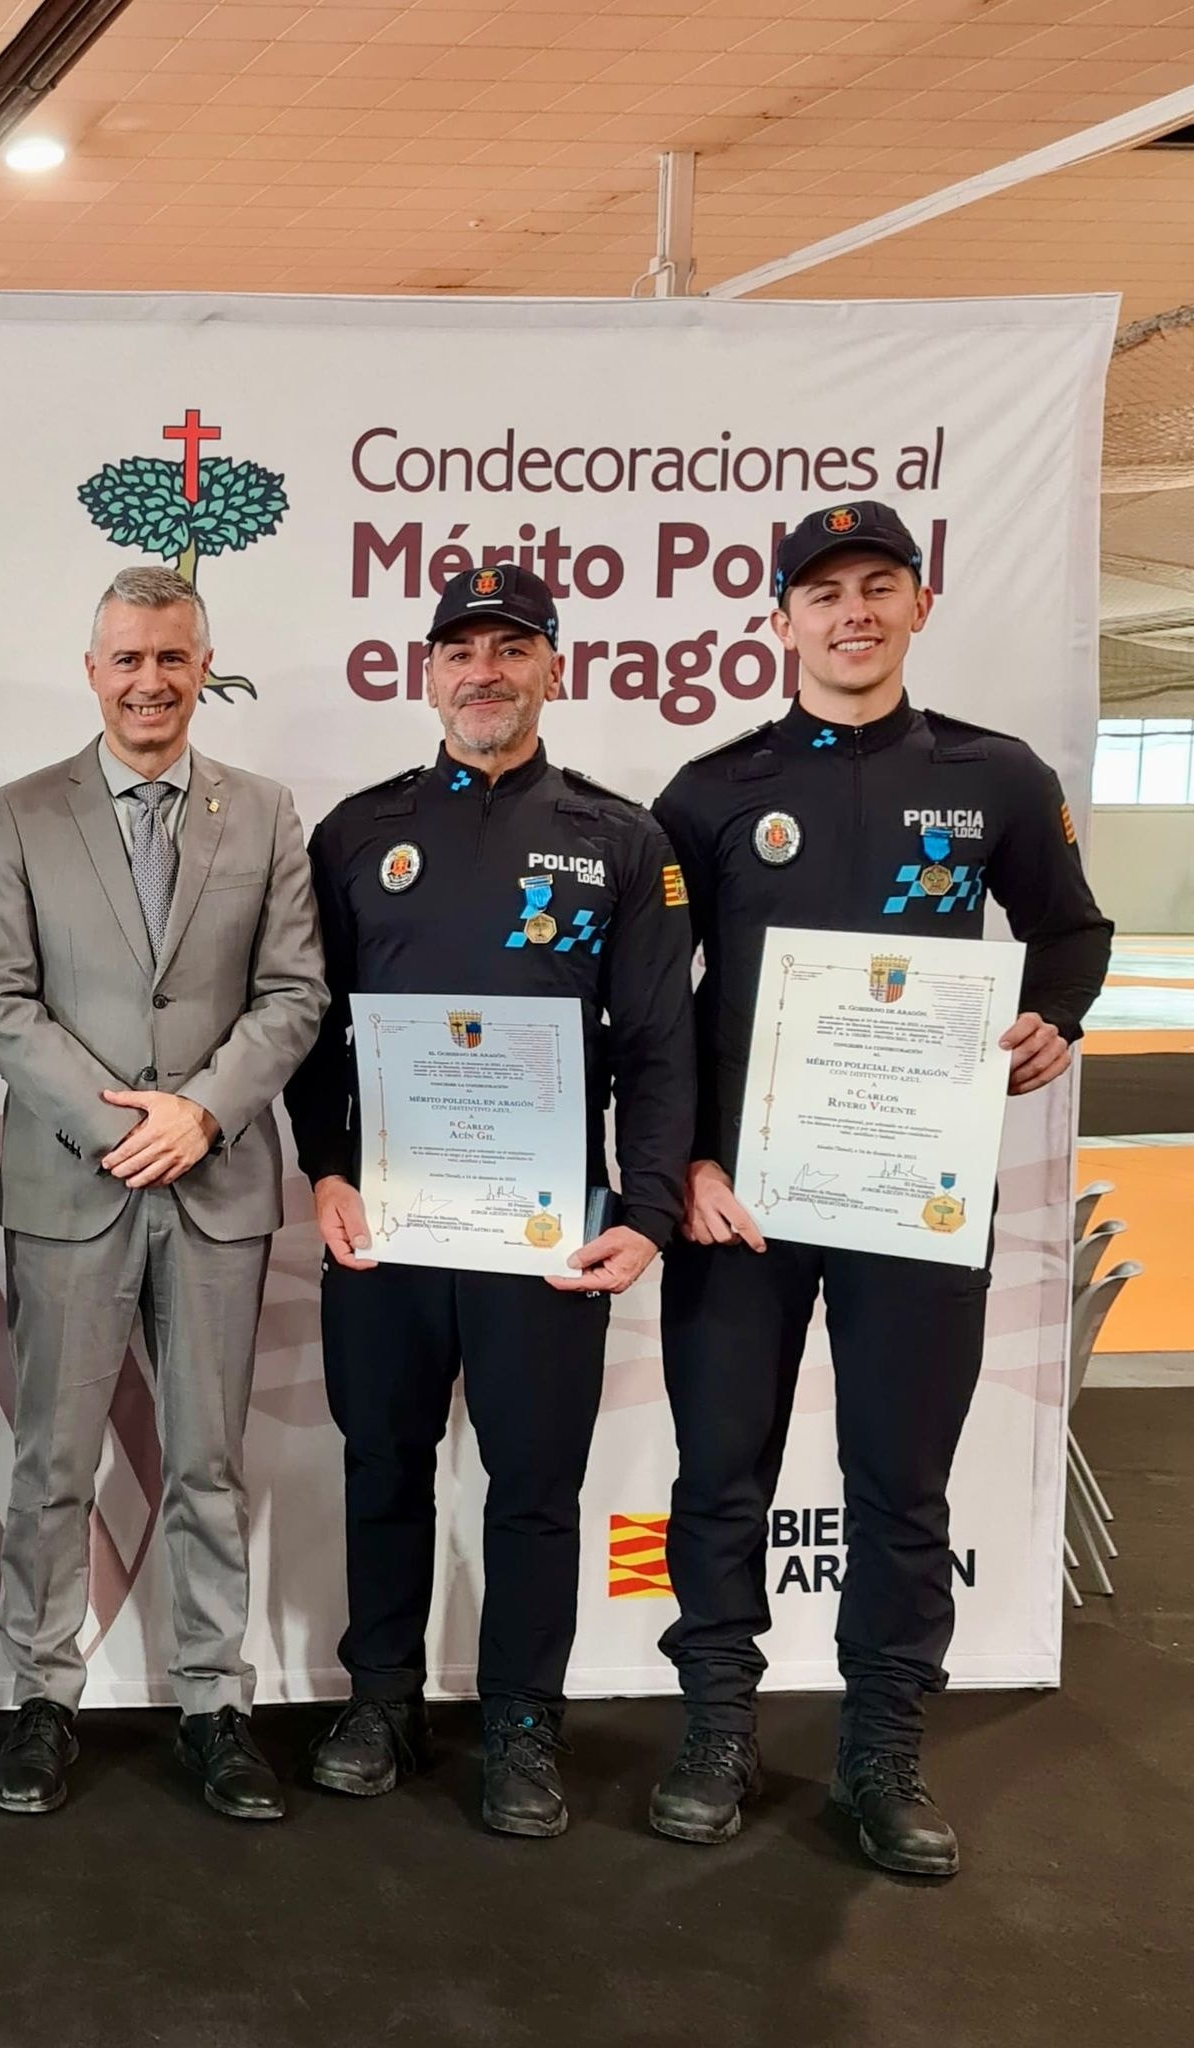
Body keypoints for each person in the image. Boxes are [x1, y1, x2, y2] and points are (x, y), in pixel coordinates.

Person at [648, 500, 1113, 1877]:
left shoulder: (997, 777)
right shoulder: (710, 793)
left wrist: (1051, 1019)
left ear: (919, 604)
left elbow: (1070, 932)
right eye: (823, 591)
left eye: (876, 586)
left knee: (900, 1483)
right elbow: (656, 1007)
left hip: (916, 1193)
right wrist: (685, 1161)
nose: (850, 612)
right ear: (779, 619)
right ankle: (715, 1728)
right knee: (719, 1472)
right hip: (740, 1204)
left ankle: (880, 1751)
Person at [284, 562, 694, 1838]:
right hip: (388, 1222)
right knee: (381, 1463)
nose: (483, 672)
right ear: (426, 675)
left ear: (551, 668)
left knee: (532, 1484)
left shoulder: (621, 838)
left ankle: (521, 1722)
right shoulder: (356, 832)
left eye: (510, 649)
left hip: (545, 1230)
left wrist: (646, 1208)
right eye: (459, 651)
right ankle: (381, 1699)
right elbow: (307, 1025)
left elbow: (658, 1044)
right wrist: (325, 1166)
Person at [0, 565, 326, 1821]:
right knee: (50, 1462)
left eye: (172, 657)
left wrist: (202, 1111)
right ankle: (39, 1696)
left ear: (202, 668)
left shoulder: (264, 813)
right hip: (73, 1181)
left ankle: (214, 1703)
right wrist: (122, 1121)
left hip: (217, 1182)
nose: (149, 681)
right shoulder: (19, 813)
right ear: (91, 671)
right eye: (126, 658)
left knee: (208, 1463)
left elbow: (293, 992)